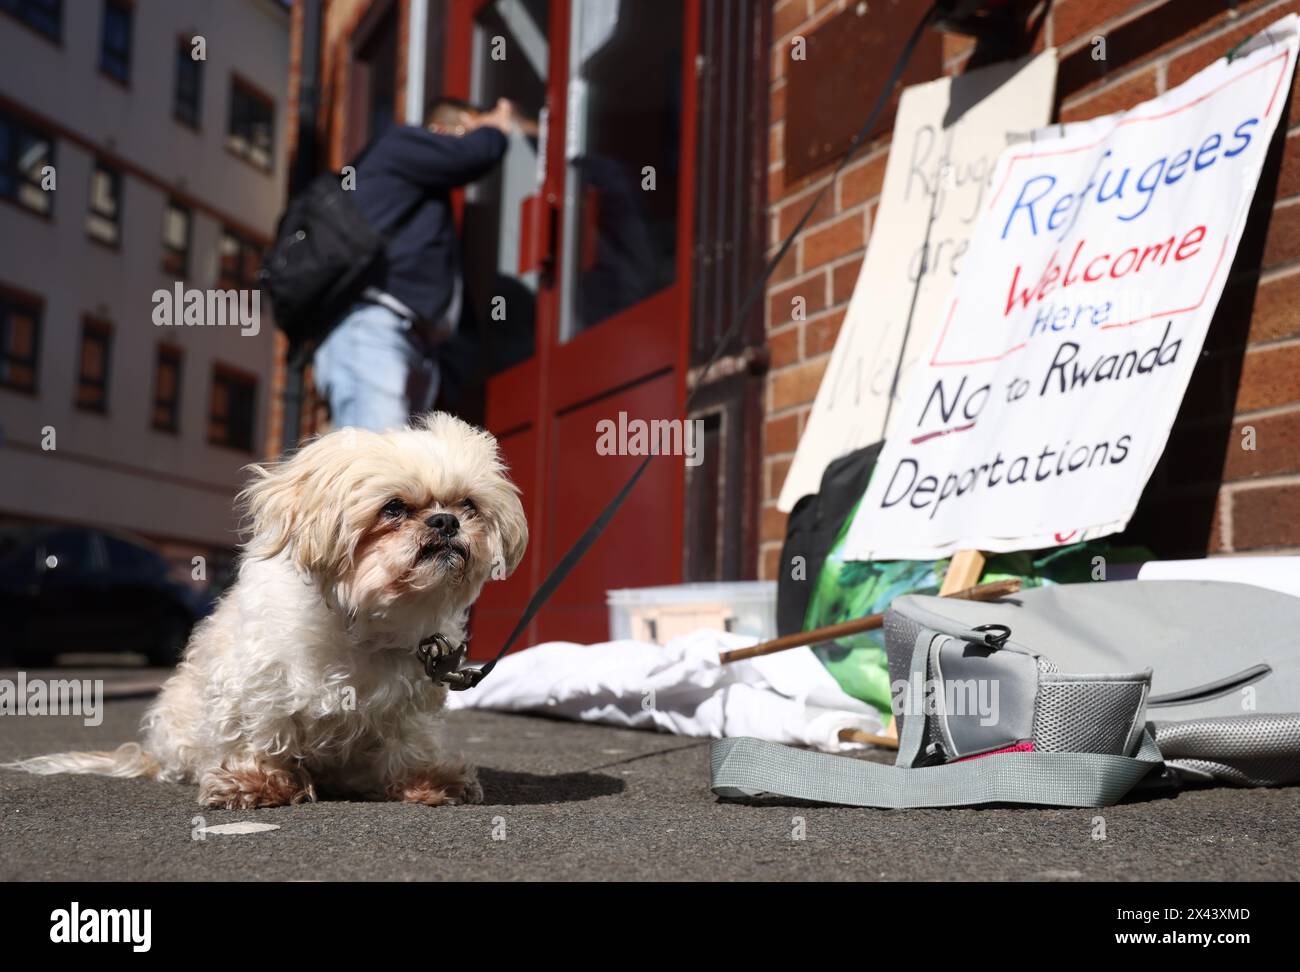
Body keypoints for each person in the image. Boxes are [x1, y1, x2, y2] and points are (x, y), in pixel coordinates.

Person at [312, 97, 518, 431]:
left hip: (399, 339)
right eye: (467, 129)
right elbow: (475, 155)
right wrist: (497, 125)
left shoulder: (412, 188)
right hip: (374, 332)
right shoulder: (401, 143)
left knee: (394, 468)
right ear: (439, 131)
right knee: (383, 470)